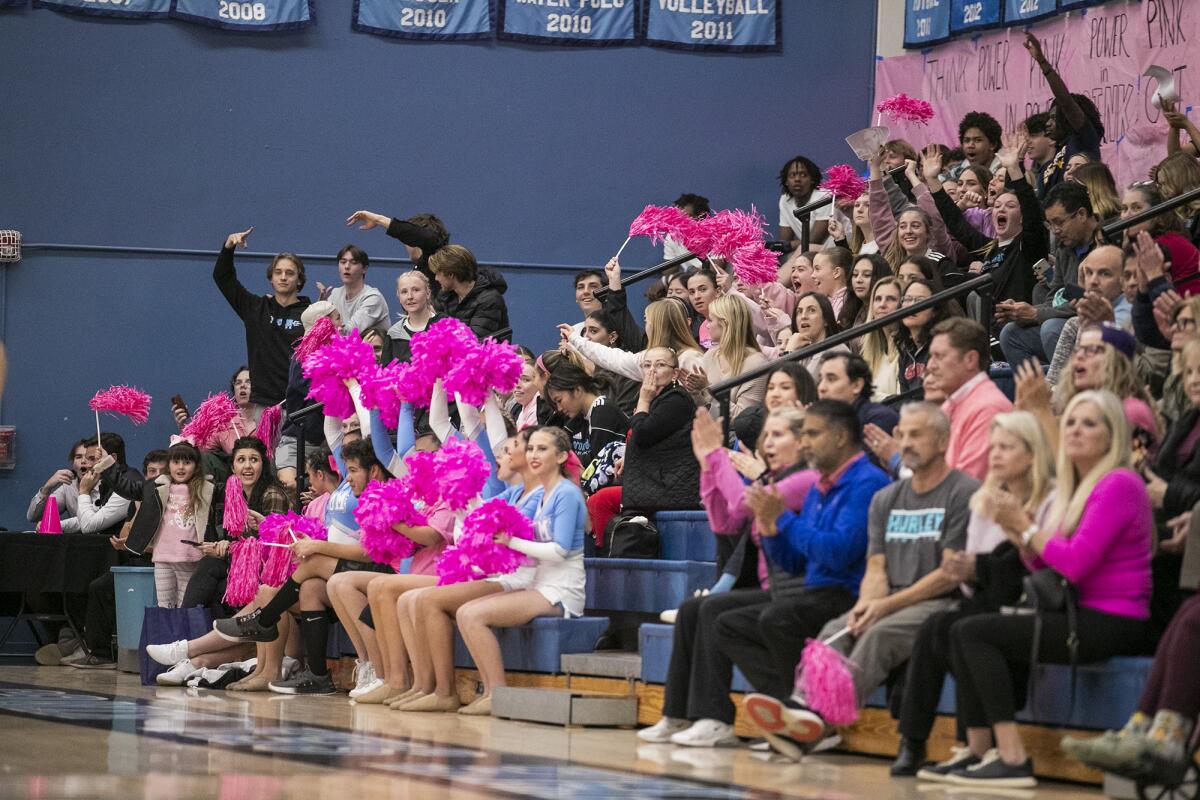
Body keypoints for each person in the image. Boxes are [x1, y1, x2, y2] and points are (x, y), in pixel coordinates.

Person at [938, 391, 1151, 788]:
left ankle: (1012, 757)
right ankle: (980, 752)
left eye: (1089, 423)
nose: (1074, 430)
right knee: (961, 624)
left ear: (1113, 435)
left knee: (974, 632)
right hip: (1079, 613)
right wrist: (1020, 533)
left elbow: (1074, 564)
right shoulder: (1084, 485)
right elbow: (1045, 565)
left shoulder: (1118, 483)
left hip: (1112, 619)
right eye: (1069, 421)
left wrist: (1028, 527)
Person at [742, 402, 974, 761]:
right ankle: (800, 712)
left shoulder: (962, 492)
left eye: (917, 435)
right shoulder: (887, 498)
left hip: (939, 601)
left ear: (943, 441)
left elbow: (947, 575)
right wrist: (868, 603)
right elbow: (877, 568)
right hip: (885, 597)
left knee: (877, 634)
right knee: (836, 630)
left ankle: (815, 719)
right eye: (902, 434)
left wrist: (884, 606)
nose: (906, 442)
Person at [638, 407, 823, 748]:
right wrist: (709, 468)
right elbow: (725, 522)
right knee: (695, 609)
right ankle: (677, 714)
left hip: (801, 591)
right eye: (766, 434)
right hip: (773, 589)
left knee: (713, 612)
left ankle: (719, 717)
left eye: (778, 435)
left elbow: (741, 502)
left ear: (803, 442)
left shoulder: (805, 479)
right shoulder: (773, 480)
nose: (768, 442)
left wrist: (715, 456)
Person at [891, 412, 1055, 775]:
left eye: (1007, 447)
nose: (995, 454)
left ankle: (982, 746)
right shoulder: (983, 501)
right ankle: (919, 742)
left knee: (963, 626)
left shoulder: (1050, 498)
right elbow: (975, 579)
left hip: (1031, 600)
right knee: (940, 624)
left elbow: (1033, 567)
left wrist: (978, 569)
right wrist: (964, 571)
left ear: (1032, 453)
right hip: (989, 596)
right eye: (993, 446)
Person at [211, 428, 394, 694]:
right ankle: (318, 675)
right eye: (349, 470)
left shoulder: (380, 492)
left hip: (377, 569)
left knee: (316, 560)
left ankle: (263, 620)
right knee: (310, 588)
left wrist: (317, 545)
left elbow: (368, 551)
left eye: (354, 470)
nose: (349, 474)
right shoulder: (348, 485)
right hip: (347, 570)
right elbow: (332, 428)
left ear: (374, 470)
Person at [451, 427, 589, 715]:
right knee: (466, 611)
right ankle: (490, 690)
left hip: (561, 591)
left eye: (543, 449)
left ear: (562, 456)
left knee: (472, 614)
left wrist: (511, 541)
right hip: (537, 586)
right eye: (531, 449)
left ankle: (497, 693)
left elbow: (560, 550)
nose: (534, 455)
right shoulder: (541, 495)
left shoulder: (567, 493)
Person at [585, 347, 699, 545]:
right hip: (654, 478)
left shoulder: (676, 399)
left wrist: (643, 400)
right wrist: (629, 455)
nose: (652, 370)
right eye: (647, 365)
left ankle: (608, 557)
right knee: (593, 500)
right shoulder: (660, 399)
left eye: (660, 364)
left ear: (674, 373)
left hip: (670, 485)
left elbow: (643, 434)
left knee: (601, 500)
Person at [924, 136, 1049, 310]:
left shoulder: (1028, 245)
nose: (1001, 209)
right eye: (997, 206)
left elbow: (1031, 210)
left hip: (1015, 323)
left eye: (1010, 206)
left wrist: (1013, 168)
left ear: (1022, 217)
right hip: (990, 325)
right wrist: (933, 181)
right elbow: (957, 224)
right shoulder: (990, 248)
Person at [997, 182, 1099, 367]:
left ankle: (1067, 391)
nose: (1055, 231)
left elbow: (1090, 302)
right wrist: (1023, 310)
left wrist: (1036, 314)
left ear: (1082, 214)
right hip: (1068, 320)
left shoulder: (1104, 243)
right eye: (1050, 224)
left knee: (1051, 329)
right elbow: (1056, 296)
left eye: (1059, 222)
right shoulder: (1064, 248)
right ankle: (1036, 392)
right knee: (1010, 333)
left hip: (1097, 322)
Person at [212, 227, 310, 406]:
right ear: (270, 277)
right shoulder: (256, 308)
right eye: (278, 272)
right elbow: (223, 277)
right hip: (263, 404)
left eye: (290, 273)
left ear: (300, 280)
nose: (283, 277)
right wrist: (228, 247)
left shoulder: (311, 313)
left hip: (300, 404)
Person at [1023, 32, 1105, 194]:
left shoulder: (1084, 140)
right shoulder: (1056, 155)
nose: (1048, 123)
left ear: (1067, 119)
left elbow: (1066, 103)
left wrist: (1042, 62)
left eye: (1053, 118)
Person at [1045, 246, 1135, 384]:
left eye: (1105, 274)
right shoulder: (1077, 322)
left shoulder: (1128, 316)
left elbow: (1107, 376)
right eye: (1088, 273)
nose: (1093, 281)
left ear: (1124, 280)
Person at [688, 295, 770, 419]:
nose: (707, 326)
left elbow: (743, 419)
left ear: (725, 324)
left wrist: (707, 390)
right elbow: (703, 410)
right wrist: (695, 393)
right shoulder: (710, 355)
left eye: (710, 320)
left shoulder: (756, 363)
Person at [543, 362, 628, 476]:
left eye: (559, 400)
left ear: (577, 390)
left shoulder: (603, 411)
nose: (559, 408)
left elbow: (597, 466)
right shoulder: (575, 420)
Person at [345, 209, 450, 284]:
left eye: (407, 238)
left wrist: (378, 219)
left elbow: (427, 238)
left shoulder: (438, 263)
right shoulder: (419, 267)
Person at [428, 244, 510, 340]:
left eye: (438, 274)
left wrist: (438, 318)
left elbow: (474, 341)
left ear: (450, 274)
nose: (436, 278)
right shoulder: (445, 295)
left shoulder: (489, 299)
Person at [895, 279, 958, 396]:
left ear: (934, 310)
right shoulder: (906, 350)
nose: (911, 305)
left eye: (919, 300)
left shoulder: (942, 346)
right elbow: (905, 397)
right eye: (907, 299)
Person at [816, 352, 899, 435]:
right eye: (820, 380)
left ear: (857, 385)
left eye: (831, 379)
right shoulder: (825, 421)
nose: (821, 388)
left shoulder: (879, 418)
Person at [320, 244, 390, 337]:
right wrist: (319, 307)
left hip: (371, 350)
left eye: (353, 262)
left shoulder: (373, 298)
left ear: (364, 269)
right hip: (341, 350)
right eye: (343, 262)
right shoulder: (333, 294)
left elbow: (349, 333)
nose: (347, 266)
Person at [783, 292, 849, 382]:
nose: (803, 316)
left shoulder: (837, 351)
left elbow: (802, 389)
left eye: (812, 310)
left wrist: (789, 353)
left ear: (826, 319)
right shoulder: (801, 350)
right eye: (799, 311)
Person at [381, 270, 444, 365]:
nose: (410, 296)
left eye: (416, 290)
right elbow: (386, 373)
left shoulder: (444, 325)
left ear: (428, 293)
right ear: (398, 296)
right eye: (404, 292)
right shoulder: (393, 334)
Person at [859, 277, 904, 400]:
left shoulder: (907, 351)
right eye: (878, 299)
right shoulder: (869, 351)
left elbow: (903, 401)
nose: (882, 305)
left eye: (891, 299)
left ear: (902, 305)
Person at [777, 155, 830, 250]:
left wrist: (788, 245)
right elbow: (784, 241)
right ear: (786, 181)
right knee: (777, 258)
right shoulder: (785, 200)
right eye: (792, 175)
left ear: (812, 180)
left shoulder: (823, 196)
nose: (797, 179)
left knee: (800, 255)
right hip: (806, 250)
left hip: (834, 249)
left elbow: (814, 241)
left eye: (803, 175)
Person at [949, 111, 1003, 178]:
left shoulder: (1006, 173)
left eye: (978, 140)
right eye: (967, 140)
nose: (970, 145)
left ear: (992, 145)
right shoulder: (956, 173)